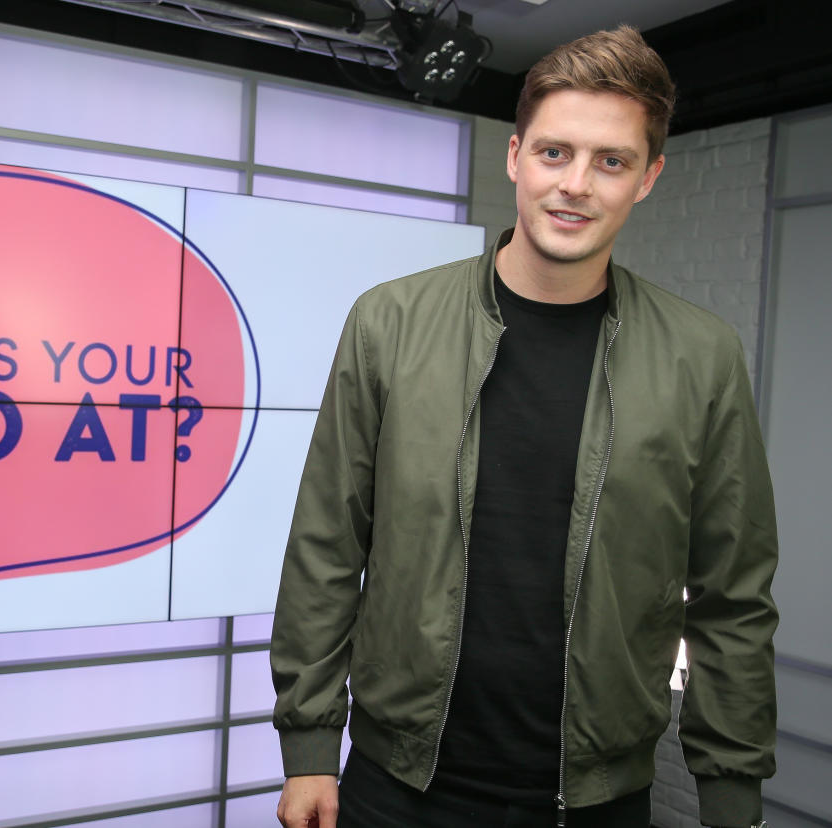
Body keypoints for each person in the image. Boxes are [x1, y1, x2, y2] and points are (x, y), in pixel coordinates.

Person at [270, 24, 778, 828]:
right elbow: (327, 546)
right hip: (396, 784)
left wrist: (730, 793)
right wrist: (307, 744)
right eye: (553, 153)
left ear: (647, 178)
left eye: (609, 161)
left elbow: (730, 599)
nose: (574, 184)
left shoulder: (701, 356)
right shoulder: (389, 323)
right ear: (515, 157)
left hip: (596, 798)